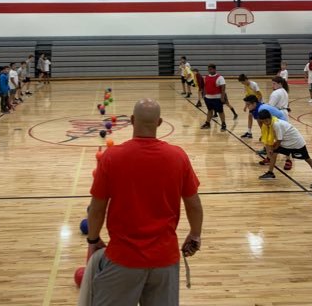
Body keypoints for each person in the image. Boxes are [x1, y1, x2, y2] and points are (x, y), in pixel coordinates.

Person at [87, 98, 203, 306]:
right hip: (165, 260)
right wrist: (195, 234)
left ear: (132, 120)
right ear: (159, 123)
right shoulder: (178, 156)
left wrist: (93, 240)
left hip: (123, 259)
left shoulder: (111, 157)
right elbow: (193, 204)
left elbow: (97, 209)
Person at [257, 109, 312, 189]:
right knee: (274, 154)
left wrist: (273, 148)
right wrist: (272, 148)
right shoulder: (269, 123)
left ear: (269, 118)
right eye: (262, 121)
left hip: (296, 143)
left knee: (308, 159)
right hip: (286, 142)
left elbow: (279, 140)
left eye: (265, 121)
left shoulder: (276, 124)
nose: (264, 123)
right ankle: (270, 173)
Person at [243, 94, 291, 168]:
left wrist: (264, 132)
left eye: (248, 104)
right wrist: (264, 133)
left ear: (254, 103)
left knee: (283, 142)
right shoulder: (255, 108)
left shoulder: (261, 109)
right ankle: (269, 158)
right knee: (266, 141)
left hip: (279, 122)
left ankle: (288, 160)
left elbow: (262, 122)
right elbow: (262, 122)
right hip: (270, 123)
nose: (247, 106)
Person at [201, 64, 227, 131]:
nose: (210, 71)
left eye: (211, 69)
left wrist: (222, 97)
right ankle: (207, 123)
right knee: (209, 110)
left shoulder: (220, 77)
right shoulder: (206, 77)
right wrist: (204, 94)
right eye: (209, 70)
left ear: (214, 69)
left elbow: (223, 88)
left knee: (220, 111)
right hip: (208, 97)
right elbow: (205, 86)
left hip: (217, 98)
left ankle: (223, 124)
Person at [238, 74, 263, 139]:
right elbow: (247, 97)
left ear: (246, 80)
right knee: (250, 116)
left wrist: (258, 105)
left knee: (259, 120)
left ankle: (263, 133)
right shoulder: (245, 86)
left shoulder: (254, 84)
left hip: (257, 104)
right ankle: (249, 133)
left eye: (243, 82)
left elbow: (260, 95)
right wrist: (246, 106)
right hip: (252, 104)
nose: (242, 83)